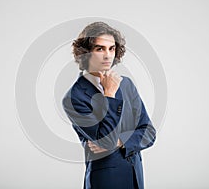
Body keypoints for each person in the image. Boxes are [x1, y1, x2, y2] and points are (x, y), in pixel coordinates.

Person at [62, 21, 156, 189]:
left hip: (136, 178)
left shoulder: (126, 84)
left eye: (111, 48)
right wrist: (109, 95)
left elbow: (149, 132)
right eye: (100, 49)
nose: (108, 55)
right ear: (85, 53)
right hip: (105, 181)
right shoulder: (74, 97)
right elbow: (106, 140)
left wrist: (120, 141)